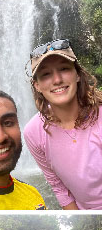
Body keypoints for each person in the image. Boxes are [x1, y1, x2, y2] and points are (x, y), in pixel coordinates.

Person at [24, 40, 102, 209]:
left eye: (64, 69)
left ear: (77, 74)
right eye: (45, 74)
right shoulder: (33, 132)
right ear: (37, 85)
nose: (57, 80)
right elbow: (58, 186)